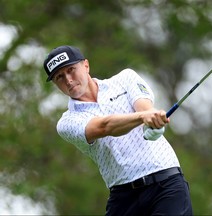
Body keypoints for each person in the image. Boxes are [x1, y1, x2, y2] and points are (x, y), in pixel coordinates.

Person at [43, 45, 193, 215]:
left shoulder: (125, 79)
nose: (68, 80)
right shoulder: (67, 122)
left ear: (86, 66)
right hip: (124, 198)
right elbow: (104, 126)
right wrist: (144, 117)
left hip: (166, 184)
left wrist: (152, 120)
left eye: (71, 70)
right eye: (59, 77)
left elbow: (144, 108)